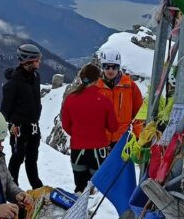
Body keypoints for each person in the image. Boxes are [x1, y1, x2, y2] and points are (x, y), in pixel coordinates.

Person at [61, 63, 118, 193]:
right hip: (98, 150)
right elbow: (113, 127)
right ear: (98, 79)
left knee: (80, 186)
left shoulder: (70, 99)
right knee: (97, 187)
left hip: (78, 149)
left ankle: (78, 211)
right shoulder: (104, 100)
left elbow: (66, 125)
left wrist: (78, 134)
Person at [0, 43, 44, 189]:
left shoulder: (35, 77)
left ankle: (36, 186)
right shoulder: (12, 85)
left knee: (32, 159)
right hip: (19, 128)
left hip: (33, 127)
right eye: (37, 60)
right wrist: (12, 124)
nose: (40, 62)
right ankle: (13, 188)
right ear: (27, 62)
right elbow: (4, 110)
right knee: (17, 158)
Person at [95, 46, 145, 150]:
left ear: (119, 67)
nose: (110, 70)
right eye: (106, 66)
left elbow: (139, 113)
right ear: (102, 67)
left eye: (114, 67)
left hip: (122, 140)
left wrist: (138, 136)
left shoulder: (129, 86)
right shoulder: (95, 87)